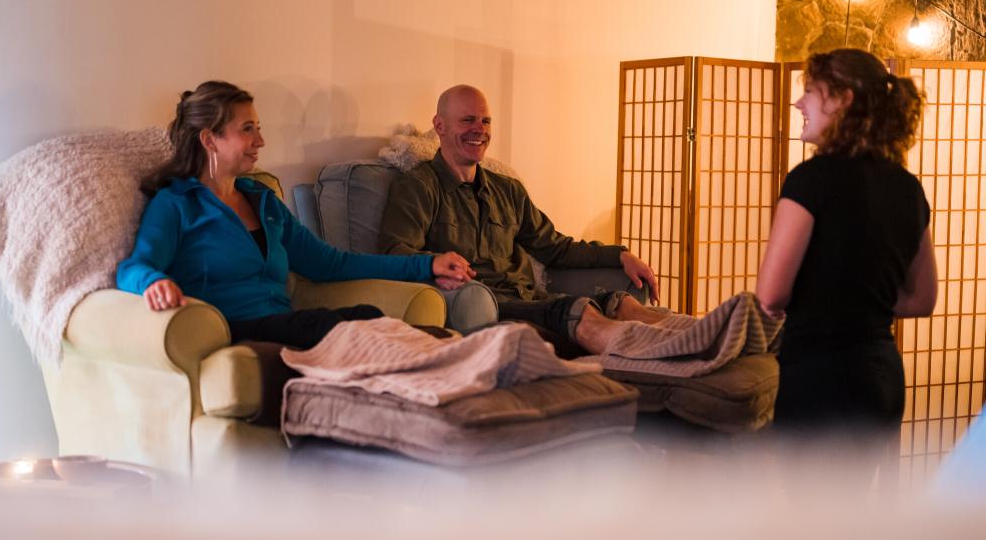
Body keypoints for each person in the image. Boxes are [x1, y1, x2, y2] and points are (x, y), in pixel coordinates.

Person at [117, 80, 474, 350]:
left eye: (258, 128)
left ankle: (447, 354)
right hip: (232, 332)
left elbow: (332, 264)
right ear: (210, 140)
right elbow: (132, 267)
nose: (260, 140)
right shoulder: (177, 203)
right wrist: (152, 283)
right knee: (354, 324)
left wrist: (426, 265)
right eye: (247, 129)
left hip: (284, 326)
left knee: (380, 323)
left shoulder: (264, 202)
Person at [378, 84, 665, 356]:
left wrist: (620, 255)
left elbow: (555, 248)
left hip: (531, 300)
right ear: (440, 126)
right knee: (578, 312)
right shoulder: (418, 187)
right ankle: (656, 355)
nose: (479, 129)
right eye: (468, 120)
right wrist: (434, 263)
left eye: (486, 121)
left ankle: (689, 338)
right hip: (491, 307)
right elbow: (393, 253)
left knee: (620, 303)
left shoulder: (508, 190)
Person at [756, 49, 937, 467]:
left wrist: (825, 301)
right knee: (855, 522)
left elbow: (770, 295)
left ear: (844, 101)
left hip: (822, 379)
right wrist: (858, 301)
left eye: (811, 92)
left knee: (814, 525)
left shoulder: (809, 180)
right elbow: (922, 299)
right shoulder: (907, 188)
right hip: (883, 376)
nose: (798, 103)